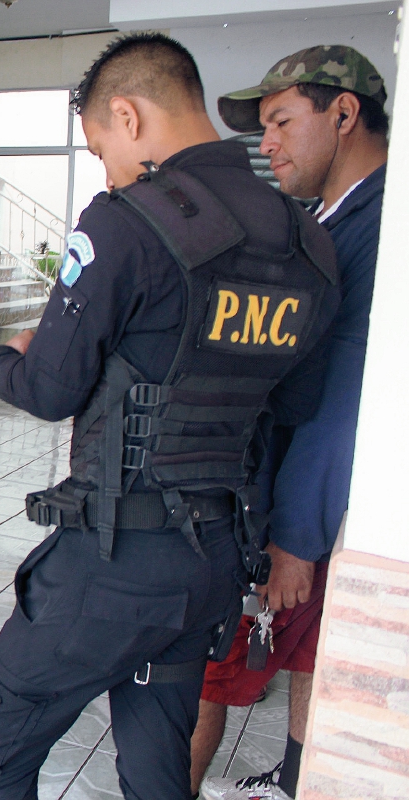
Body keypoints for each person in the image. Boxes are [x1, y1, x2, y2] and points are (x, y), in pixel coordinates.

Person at [0, 33, 341, 800]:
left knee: (5, 721)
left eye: (100, 146)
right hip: (210, 564)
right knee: (156, 761)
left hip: (113, 561)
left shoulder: (126, 222)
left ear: (128, 115)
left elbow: (49, 389)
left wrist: (5, 358)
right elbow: (295, 406)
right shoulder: (308, 241)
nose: (104, 168)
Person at [193, 45, 388, 800]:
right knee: (312, 654)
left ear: (344, 114)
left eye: (279, 121)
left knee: (215, 672)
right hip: (292, 491)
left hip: (312, 508)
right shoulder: (325, 219)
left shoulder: (380, 230)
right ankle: (298, 780)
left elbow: (344, 394)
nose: (264, 143)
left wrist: (295, 539)